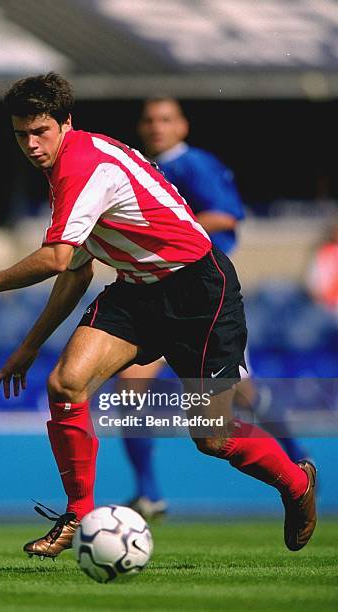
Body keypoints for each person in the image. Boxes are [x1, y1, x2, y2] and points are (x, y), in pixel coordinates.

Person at [0, 73, 317, 559]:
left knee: (213, 438)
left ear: (65, 123)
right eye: (20, 134)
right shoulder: (65, 167)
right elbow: (74, 271)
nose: (30, 144)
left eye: (39, 132)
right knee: (65, 384)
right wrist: (28, 349)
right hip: (137, 290)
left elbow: (54, 259)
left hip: (198, 290)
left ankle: (297, 485)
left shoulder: (84, 165)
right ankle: (77, 513)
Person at [120, 98, 309, 519]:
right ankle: (148, 492)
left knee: (243, 396)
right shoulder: (144, 169)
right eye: (149, 120)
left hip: (205, 298)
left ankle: (298, 462)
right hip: (156, 295)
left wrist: (167, 228)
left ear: (182, 126)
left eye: (165, 119)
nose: (156, 127)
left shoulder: (194, 165)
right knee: (130, 388)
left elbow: (227, 216)